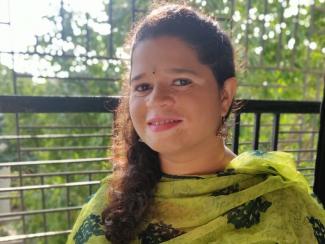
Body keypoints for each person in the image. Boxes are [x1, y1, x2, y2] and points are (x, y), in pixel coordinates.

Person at [66, 3, 325, 244]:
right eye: (143, 86)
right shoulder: (111, 203)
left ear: (225, 95)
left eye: (181, 81)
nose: (157, 100)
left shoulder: (281, 206)